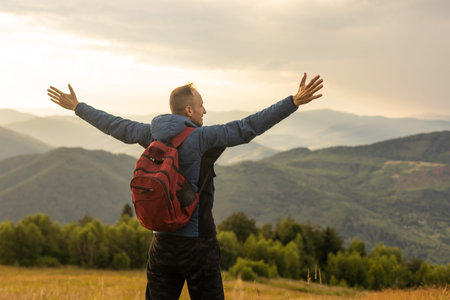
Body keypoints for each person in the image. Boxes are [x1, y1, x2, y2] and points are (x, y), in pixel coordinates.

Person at [47, 73, 323, 299]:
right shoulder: (203, 138)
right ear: (189, 110)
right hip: (198, 245)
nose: (205, 110)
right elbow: (246, 127)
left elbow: (114, 125)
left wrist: (77, 107)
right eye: (202, 105)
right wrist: (293, 102)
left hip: (161, 244)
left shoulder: (151, 133)